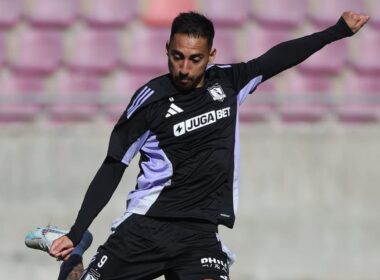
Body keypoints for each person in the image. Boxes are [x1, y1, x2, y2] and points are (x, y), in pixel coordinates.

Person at [27, 10, 369, 280]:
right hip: (148, 226)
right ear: (166, 50)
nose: (184, 68)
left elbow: (277, 59)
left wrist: (336, 31)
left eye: (195, 59)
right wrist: (77, 229)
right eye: (177, 57)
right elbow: (114, 165)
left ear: (211, 55)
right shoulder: (150, 101)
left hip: (200, 232)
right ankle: (75, 255)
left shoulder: (229, 83)